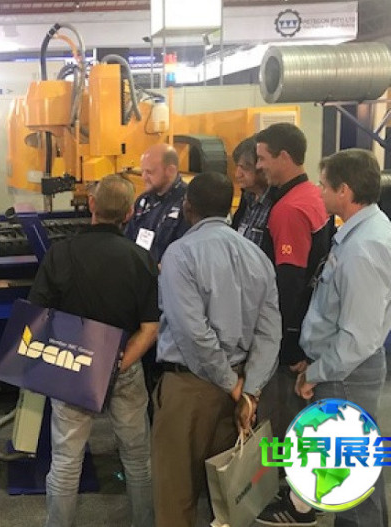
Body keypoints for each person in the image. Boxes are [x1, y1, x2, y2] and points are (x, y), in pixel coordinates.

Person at [258, 149, 391, 526]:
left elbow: (358, 337)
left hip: (346, 375)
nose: (318, 192)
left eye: (323, 185)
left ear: (345, 190)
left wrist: (318, 372)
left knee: (350, 480)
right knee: (356, 472)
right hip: (342, 369)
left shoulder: (364, 249)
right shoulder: (362, 233)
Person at [29, 174, 159, 527]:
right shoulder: (141, 259)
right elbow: (150, 328)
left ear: (91, 205)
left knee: (66, 461)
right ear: (129, 213)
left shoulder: (60, 254)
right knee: (137, 459)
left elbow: (37, 315)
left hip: (73, 367)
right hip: (125, 367)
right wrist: (118, 363)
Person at [152, 172, 280, 527]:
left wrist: (233, 385)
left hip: (189, 389)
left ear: (187, 206)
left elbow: (193, 333)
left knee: (175, 497)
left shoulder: (180, 254)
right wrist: (249, 390)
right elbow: (270, 333)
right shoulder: (257, 256)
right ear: (230, 208)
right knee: (232, 500)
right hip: (239, 390)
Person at [254, 123, 333, 441]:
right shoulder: (313, 195)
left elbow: (289, 284)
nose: (259, 166)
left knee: (279, 424)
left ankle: (282, 471)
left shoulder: (288, 209)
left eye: (263, 158)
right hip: (312, 327)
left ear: (284, 157)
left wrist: (288, 346)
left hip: (288, 343)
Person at [124, 143, 189, 410]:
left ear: (170, 170)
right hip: (141, 296)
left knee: (163, 375)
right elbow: (129, 243)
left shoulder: (187, 204)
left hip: (169, 301)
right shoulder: (143, 202)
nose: (144, 177)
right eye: (142, 172)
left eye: (150, 172)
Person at [230, 136, 277, 254]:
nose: (237, 174)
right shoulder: (247, 198)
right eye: (237, 167)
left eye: (245, 168)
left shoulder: (277, 203)